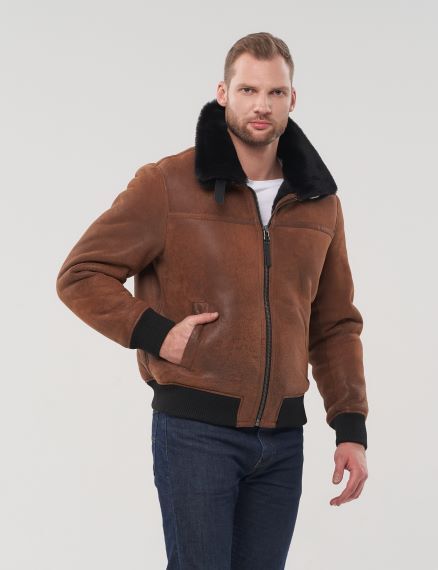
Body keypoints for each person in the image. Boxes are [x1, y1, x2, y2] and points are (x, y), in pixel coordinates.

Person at [56, 32, 369, 570]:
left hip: (283, 441)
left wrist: (350, 427)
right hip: (195, 434)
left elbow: (334, 323)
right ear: (223, 93)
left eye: (275, 92)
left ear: (292, 99)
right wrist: (155, 332)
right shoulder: (168, 184)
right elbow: (80, 274)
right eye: (248, 90)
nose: (261, 105)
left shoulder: (320, 202)